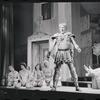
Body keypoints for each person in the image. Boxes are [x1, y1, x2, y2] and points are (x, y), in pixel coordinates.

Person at [47, 23, 81, 91]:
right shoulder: (57, 36)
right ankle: (54, 87)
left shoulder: (69, 35)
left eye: (63, 27)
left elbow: (74, 43)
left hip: (67, 52)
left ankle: (77, 86)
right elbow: (52, 45)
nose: (62, 29)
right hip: (59, 52)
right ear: (59, 28)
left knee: (72, 69)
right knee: (57, 70)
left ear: (65, 28)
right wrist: (49, 52)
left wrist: (77, 47)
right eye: (60, 27)